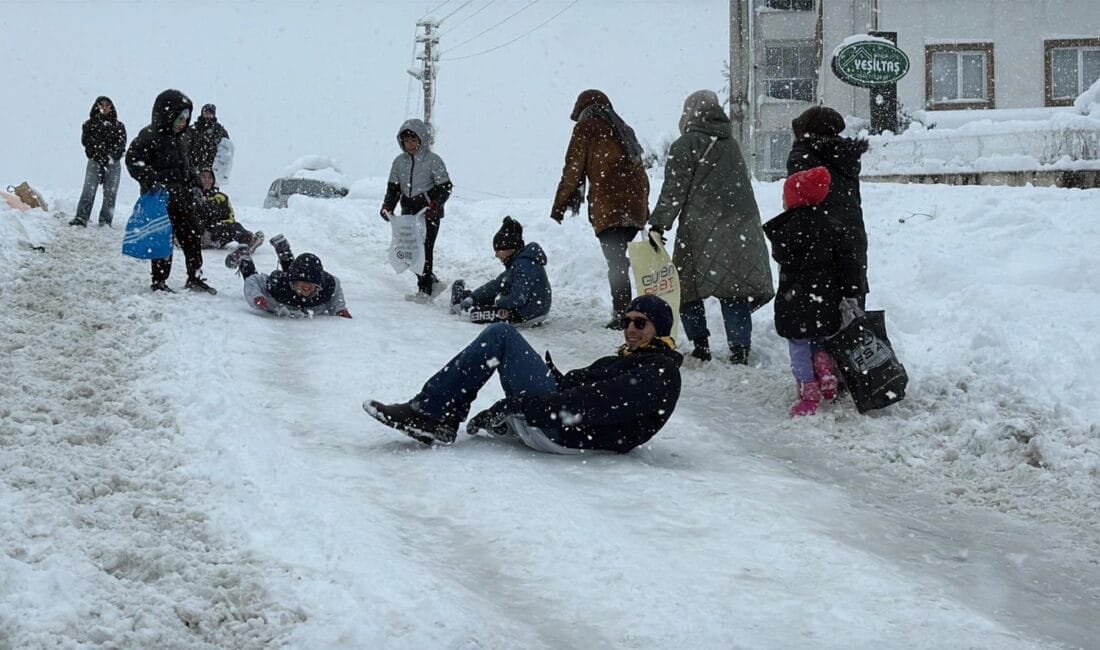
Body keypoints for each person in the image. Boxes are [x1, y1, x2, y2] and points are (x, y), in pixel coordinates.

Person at [365, 295, 682, 453]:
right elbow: (579, 388)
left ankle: (433, 414)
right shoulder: (632, 359)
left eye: (640, 323)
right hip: (563, 422)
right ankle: (435, 413)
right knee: (501, 336)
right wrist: (551, 382)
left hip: (569, 432)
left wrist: (521, 406)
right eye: (627, 321)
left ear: (660, 330)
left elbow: (592, 405)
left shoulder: (659, 371)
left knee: (502, 335)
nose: (630, 329)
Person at [648, 90, 775, 365]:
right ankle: (740, 349)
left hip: (700, 228)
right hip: (741, 226)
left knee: (687, 288)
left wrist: (659, 223)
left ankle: (701, 345)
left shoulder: (685, 144)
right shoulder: (731, 143)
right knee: (735, 288)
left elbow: (674, 190)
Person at [763, 167, 862, 417]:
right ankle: (826, 374)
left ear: (795, 199)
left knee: (798, 344)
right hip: (825, 298)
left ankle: (808, 390)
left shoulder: (786, 229)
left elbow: (781, 255)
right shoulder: (832, 224)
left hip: (794, 300)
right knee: (819, 338)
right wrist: (851, 288)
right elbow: (848, 261)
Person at [550, 89, 649, 329]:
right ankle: (629, 311)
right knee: (620, 260)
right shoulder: (624, 128)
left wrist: (559, 206)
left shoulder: (587, 128)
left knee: (616, 262)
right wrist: (644, 208)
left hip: (609, 206)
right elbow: (641, 173)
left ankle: (623, 315)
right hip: (633, 206)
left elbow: (573, 169)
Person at [125, 89, 215, 294]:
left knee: (192, 237)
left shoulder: (183, 139)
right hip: (160, 201)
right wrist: (150, 178)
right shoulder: (148, 136)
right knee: (162, 241)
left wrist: (197, 184)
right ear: (166, 115)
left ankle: (195, 276)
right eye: (180, 117)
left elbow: (188, 166)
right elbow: (133, 161)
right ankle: (159, 280)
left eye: (186, 118)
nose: (183, 122)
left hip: (183, 199)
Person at [787, 106, 870, 307]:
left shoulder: (802, 155)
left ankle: (820, 333)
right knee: (851, 287)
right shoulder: (847, 154)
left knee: (816, 293)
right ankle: (852, 330)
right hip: (851, 229)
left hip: (816, 229)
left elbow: (796, 194)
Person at [379, 118, 453, 302]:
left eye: (414, 140)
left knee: (424, 250)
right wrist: (387, 206)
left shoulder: (433, 161)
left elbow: (445, 187)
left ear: (422, 140)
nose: (410, 145)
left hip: (428, 214)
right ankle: (431, 281)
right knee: (410, 251)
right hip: (409, 213)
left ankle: (425, 290)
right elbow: (393, 189)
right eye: (406, 141)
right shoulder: (399, 162)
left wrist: (434, 205)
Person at [450, 216, 551, 326]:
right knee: (488, 296)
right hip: (530, 310)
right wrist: (473, 298)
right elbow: (496, 284)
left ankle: (462, 298)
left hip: (526, 313)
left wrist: (497, 304)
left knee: (476, 315)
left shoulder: (524, 265)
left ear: (510, 248)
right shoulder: (519, 262)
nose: (496, 255)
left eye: (499, 250)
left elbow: (517, 298)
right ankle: (465, 297)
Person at [224, 234, 351, 318]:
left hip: (293, 277)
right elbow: (254, 280)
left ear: (318, 284)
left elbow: (336, 293)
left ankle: (284, 250)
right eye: (302, 283)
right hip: (287, 281)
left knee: (297, 272)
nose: (306, 287)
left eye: (310, 284)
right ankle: (244, 256)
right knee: (253, 275)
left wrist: (340, 309)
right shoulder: (279, 286)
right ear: (293, 283)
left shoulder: (327, 287)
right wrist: (257, 297)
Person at [70, 96, 126, 227]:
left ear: (112, 107)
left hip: (113, 163)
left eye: (107, 105)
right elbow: (86, 143)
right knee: (88, 190)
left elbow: (121, 144)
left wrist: (111, 157)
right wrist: (98, 154)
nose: (104, 108)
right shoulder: (89, 124)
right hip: (94, 161)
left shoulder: (119, 126)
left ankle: (105, 221)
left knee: (110, 193)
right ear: (97, 106)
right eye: (101, 105)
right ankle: (81, 217)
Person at [196, 168, 262, 251]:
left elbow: (230, 217)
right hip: (198, 233)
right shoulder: (193, 195)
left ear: (213, 180)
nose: (206, 180)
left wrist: (220, 225)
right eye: (204, 177)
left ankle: (248, 240)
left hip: (216, 233)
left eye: (209, 178)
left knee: (234, 226)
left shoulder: (221, 197)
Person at [188, 103, 230, 174]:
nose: (208, 115)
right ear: (202, 113)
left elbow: (226, 149)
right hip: (195, 167)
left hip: (213, 169)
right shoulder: (193, 129)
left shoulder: (220, 131)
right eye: (206, 113)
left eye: (210, 113)